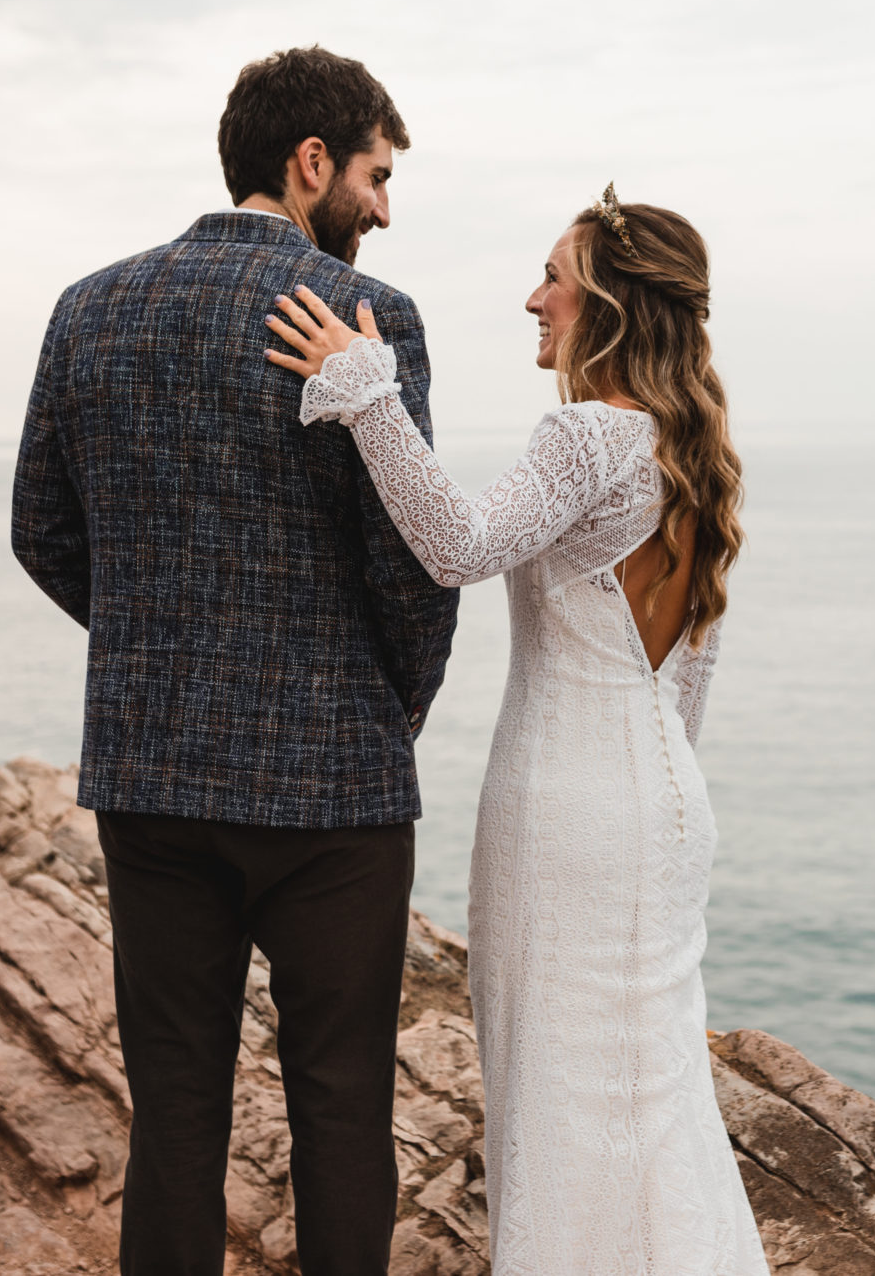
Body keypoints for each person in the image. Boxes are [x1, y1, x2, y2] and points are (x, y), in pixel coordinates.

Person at [12, 44, 461, 1276]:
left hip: (150, 779)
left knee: (173, 1112)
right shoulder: (370, 318)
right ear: (308, 161)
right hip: (332, 790)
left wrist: (159, 647)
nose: (382, 206)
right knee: (338, 1109)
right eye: (374, 173)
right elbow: (413, 562)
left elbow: (40, 530)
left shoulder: (89, 307)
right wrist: (381, 709)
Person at [262, 185, 765, 1276]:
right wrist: (651, 806)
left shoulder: (587, 434)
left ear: (611, 303)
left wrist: (366, 396)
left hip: (568, 807)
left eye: (555, 277)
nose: (533, 297)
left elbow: (456, 545)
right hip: (665, 804)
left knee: (555, 1096)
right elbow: (689, 678)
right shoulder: (693, 446)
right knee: (651, 1092)